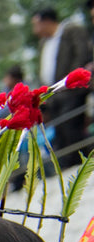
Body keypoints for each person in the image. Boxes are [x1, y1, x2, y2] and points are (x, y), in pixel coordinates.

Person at [33, 8, 91, 166]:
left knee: (72, 127)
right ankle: (69, 165)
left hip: (71, 90)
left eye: (36, 24)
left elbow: (81, 54)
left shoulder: (71, 31)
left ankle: (82, 164)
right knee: (59, 131)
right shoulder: (44, 42)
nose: (35, 30)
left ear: (46, 21)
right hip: (53, 96)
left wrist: (70, 82)